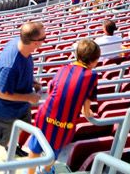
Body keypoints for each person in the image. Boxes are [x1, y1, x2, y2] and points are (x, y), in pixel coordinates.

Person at [25, 38, 101, 170]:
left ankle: (30, 172)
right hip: (65, 122)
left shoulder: (63, 69)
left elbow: (52, 90)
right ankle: (46, 171)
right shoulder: (92, 76)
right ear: (94, 61)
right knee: (53, 151)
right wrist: (89, 112)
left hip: (46, 114)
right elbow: (86, 109)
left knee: (35, 147)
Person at [0, 22, 45, 162]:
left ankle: (11, 146)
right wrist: (29, 97)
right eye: (43, 39)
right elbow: (1, 93)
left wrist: (31, 81)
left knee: (19, 127)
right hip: (2, 109)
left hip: (20, 104)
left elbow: (20, 72)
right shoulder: (10, 66)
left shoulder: (20, 44)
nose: (44, 41)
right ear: (35, 42)